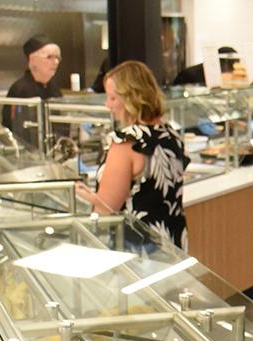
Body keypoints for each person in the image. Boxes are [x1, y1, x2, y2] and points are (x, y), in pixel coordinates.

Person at [74, 61, 187, 248]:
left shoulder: (127, 142)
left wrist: (81, 195)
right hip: (172, 241)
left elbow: (107, 208)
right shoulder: (170, 133)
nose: (107, 105)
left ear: (131, 98)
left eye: (112, 98)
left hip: (139, 247)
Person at [3, 35, 64, 150]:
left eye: (58, 57)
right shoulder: (20, 89)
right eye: (49, 57)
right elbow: (14, 129)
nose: (55, 62)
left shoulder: (54, 88)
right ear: (32, 59)